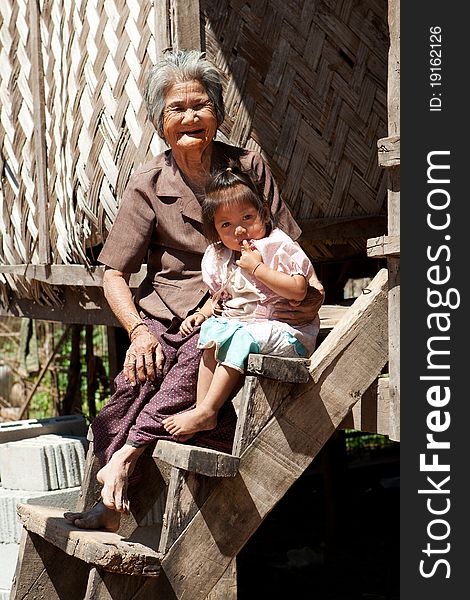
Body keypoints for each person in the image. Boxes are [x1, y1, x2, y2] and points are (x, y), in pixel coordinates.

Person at [64, 49, 324, 531]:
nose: (190, 118)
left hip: (240, 309)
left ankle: (125, 459)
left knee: (186, 373)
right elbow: (114, 274)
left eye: (200, 106)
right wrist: (139, 333)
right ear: (158, 121)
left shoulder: (247, 166)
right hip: (167, 315)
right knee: (128, 391)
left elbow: (291, 251)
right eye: (176, 109)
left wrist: (305, 297)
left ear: (218, 114)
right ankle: (110, 501)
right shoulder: (148, 182)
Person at [162, 166, 319, 439]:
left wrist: (258, 269)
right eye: (226, 224)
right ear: (215, 231)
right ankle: (202, 409)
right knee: (212, 333)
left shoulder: (276, 246)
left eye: (247, 217)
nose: (239, 230)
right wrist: (202, 313)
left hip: (286, 332)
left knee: (240, 337)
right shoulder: (220, 255)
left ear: (264, 214)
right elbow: (220, 296)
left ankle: (208, 409)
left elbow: (298, 290)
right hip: (249, 328)